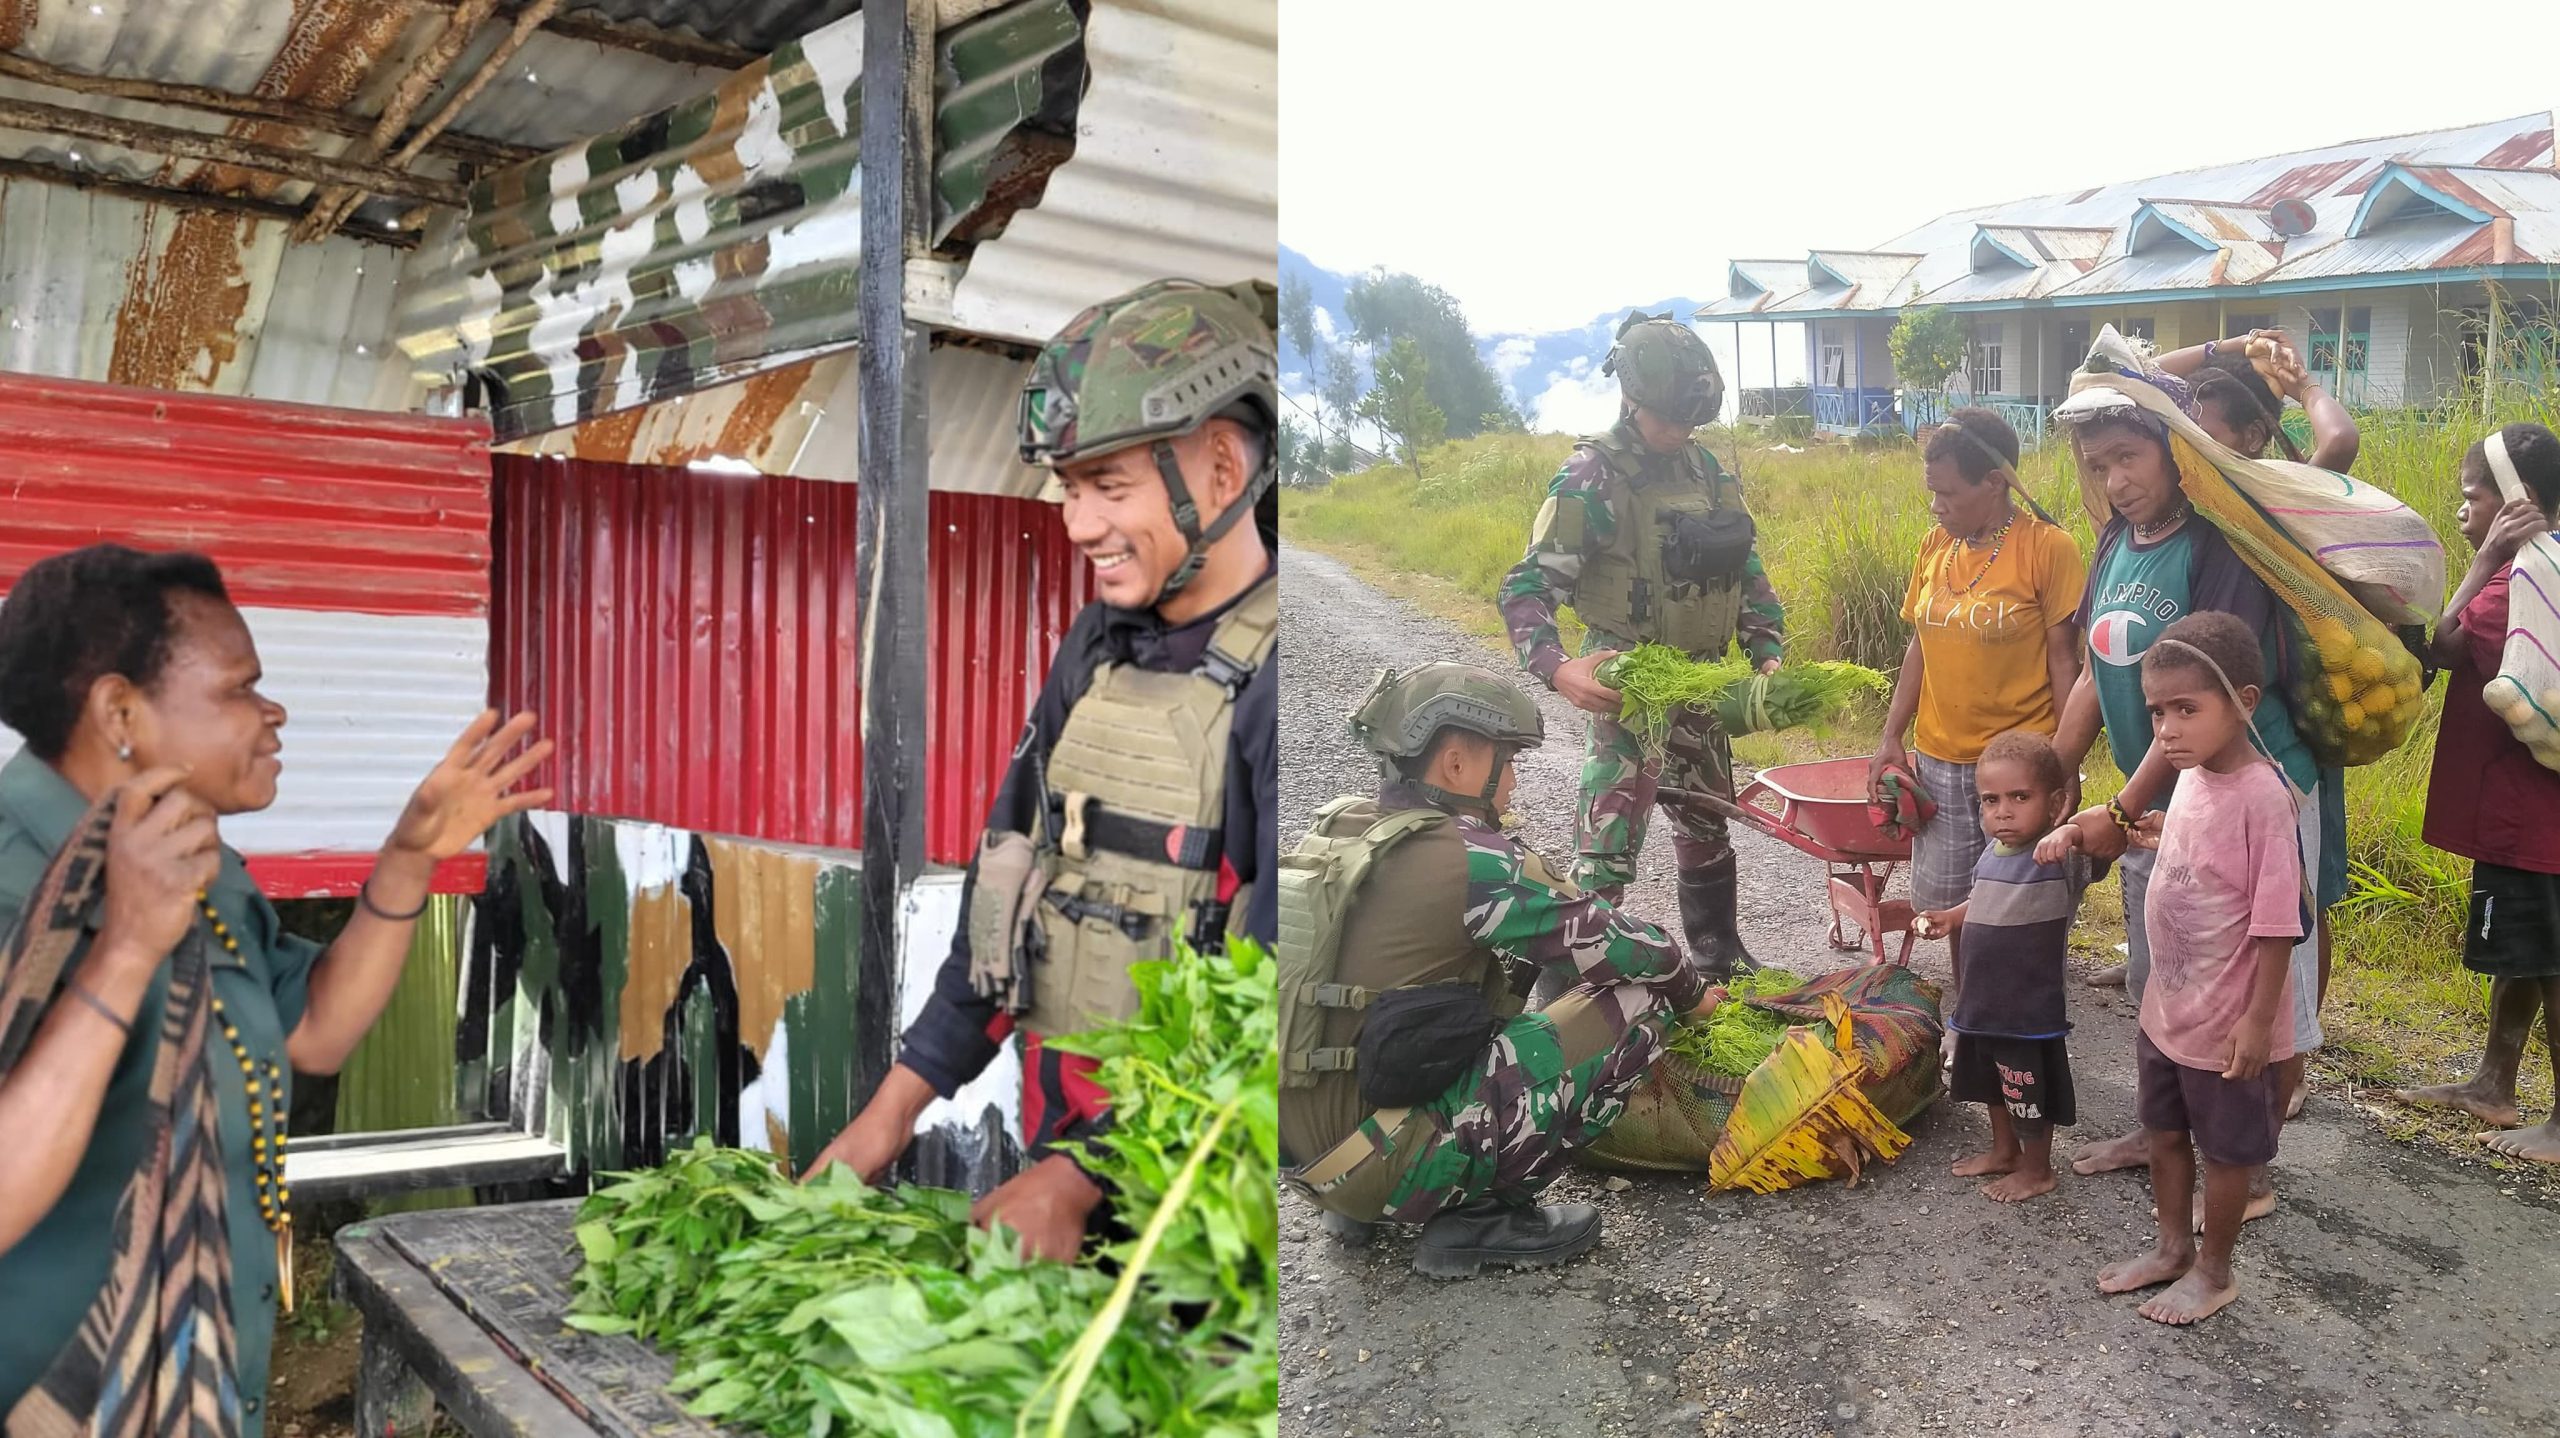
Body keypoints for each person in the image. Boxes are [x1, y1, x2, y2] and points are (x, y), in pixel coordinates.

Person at [0, 544, 552, 1436]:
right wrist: (127, 951)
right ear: (119, 712)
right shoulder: (15, 876)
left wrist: (410, 857)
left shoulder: (195, 864)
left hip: (191, 1393)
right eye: (237, 688)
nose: (274, 711)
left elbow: (314, 1034)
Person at [803, 279, 1279, 1260]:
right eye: (1068, 488)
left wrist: (1085, 1176)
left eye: (1110, 487)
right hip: (1058, 1180)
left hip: (1210, 1221)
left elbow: (1272, 1006)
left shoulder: (1283, 684)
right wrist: (888, 1113)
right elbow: (1005, 881)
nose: (1077, 524)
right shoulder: (1099, 646)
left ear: (1223, 467)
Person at [1277, 663, 1715, 1276]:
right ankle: (1479, 1216)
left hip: (1310, 1160)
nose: (1512, 781)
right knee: (1644, 999)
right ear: (1457, 765)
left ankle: (1361, 1202)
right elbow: (1631, 947)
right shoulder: (1471, 857)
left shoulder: (1340, 827)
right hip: (1386, 1169)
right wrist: (1696, 996)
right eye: (1507, 762)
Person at [2044, 359, 2328, 1196]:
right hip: (2160, 803)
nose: (2116, 479)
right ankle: (2163, 1127)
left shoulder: (2216, 544)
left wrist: (2115, 804)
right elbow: (2098, 673)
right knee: (2164, 969)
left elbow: (2207, 695)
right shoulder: (2114, 544)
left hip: (2243, 794)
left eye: (2130, 454)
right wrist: (2056, 779)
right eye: (2099, 465)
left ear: (2176, 450)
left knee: (2251, 996)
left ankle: (2250, 1166)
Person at [1498, 311, 1784, 981]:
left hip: (1703, 683)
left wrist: (1766, 646)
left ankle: (1718, 953)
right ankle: (1576, 982)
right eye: (1666, 419)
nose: (1678, 434)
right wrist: (1557, 667)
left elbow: (1743, 566)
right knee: (1607, 845)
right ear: (1630, 397)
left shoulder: (1706, 469)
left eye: (1689, 422)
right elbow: (1527, 588)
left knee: (1709, 821)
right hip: (1629, 687)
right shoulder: (1594, 476)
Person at [2090, 331, 2356, 1020]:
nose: (2116, 478)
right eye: (2189, 426)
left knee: (2288, 911)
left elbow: (2340, 448)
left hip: (2274, 751)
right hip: (2190, 774)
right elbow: (2100, 377)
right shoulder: (2128, 527)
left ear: (2250, 437)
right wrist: (2225, 346)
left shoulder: (2250, 513)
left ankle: (2288, 1057)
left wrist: (2304, 389)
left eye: (2208, 432)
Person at [2087, 612, 2305, 1326]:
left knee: (2225, 1151)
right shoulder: (2192, 779)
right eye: (2157, 712)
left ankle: (2215, 1271)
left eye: (2187, 709)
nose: (2169, 729)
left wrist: (2256, 1021)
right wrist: (2157, 831)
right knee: (2164, 1134)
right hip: (2168, 1011)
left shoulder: (2266, 798)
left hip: (2224, 1025)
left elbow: (2278, 925)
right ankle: (2172, 1249)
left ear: (2243, 701)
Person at [1872, 410, 2086, 1021]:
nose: (1936, 505)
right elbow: (1918, 646)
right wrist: (1892, 735)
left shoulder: (2048, 547)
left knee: (2021, 900)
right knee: (1953, 909)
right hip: (1940, 759)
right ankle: (1974, 1016)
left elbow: (2062, 658)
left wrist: (2063, 760)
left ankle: (2027, 1024)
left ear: (1994, 482)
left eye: (1947, 492)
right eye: (1930, 492)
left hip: (2019, 769)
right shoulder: (1935, 546)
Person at [2386, 422, 2560, 1162]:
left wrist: (2485, 556)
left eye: (2472, 498)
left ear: (2518, 502)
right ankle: (2494, 1082)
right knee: (2528, 950)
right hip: (2529, 808)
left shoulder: (2523, 573)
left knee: (2551, 958)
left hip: (2533, 812)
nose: (2463, 513)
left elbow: (2438, 643)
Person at [1913, 730, 2094, 1203]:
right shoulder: (1991, 853)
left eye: (2020, 797)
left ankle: (2037, 1169)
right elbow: (1981, 901)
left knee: (2026, 1089)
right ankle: (2004, 1151)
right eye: (1990, 800)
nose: (2004, 811)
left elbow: (2105, 836)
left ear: (2055, 803)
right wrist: (1949, 917)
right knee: (1994, 1084)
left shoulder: (2060, 857)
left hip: (2028, 1009)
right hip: (1982, 1000)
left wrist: (2071, 831)